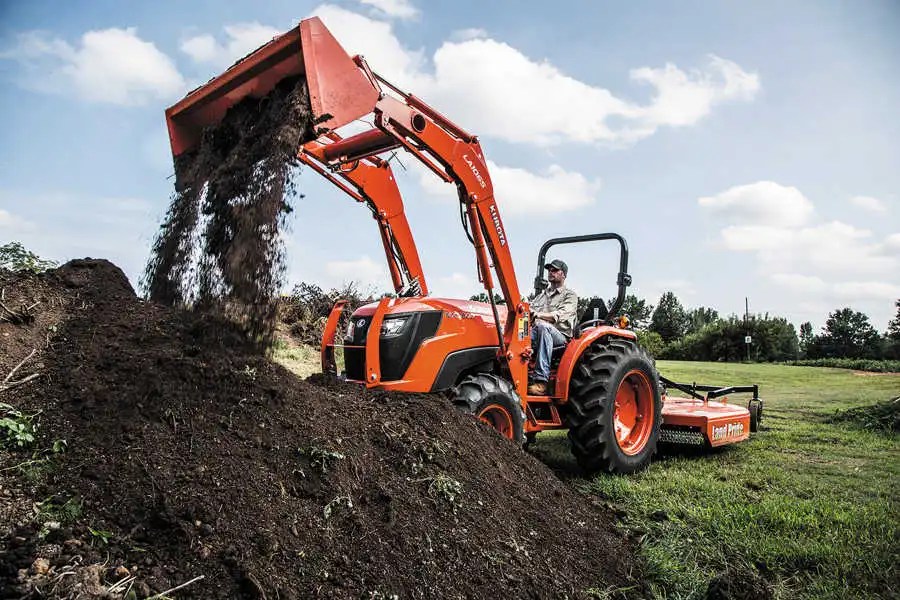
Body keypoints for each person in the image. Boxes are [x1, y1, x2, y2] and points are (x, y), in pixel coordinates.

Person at [528, 259, 578, 395]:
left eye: (555, 270)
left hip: (561, 338)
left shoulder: (570, 296)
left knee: (544, 327)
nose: (551, 272)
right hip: (538, 332)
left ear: (563, 274)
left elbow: (559, 316)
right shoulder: (540, 296)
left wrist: (538, 315)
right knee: (518, 333)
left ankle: (541, 381)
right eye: (549, 270)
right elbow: (529, 312)